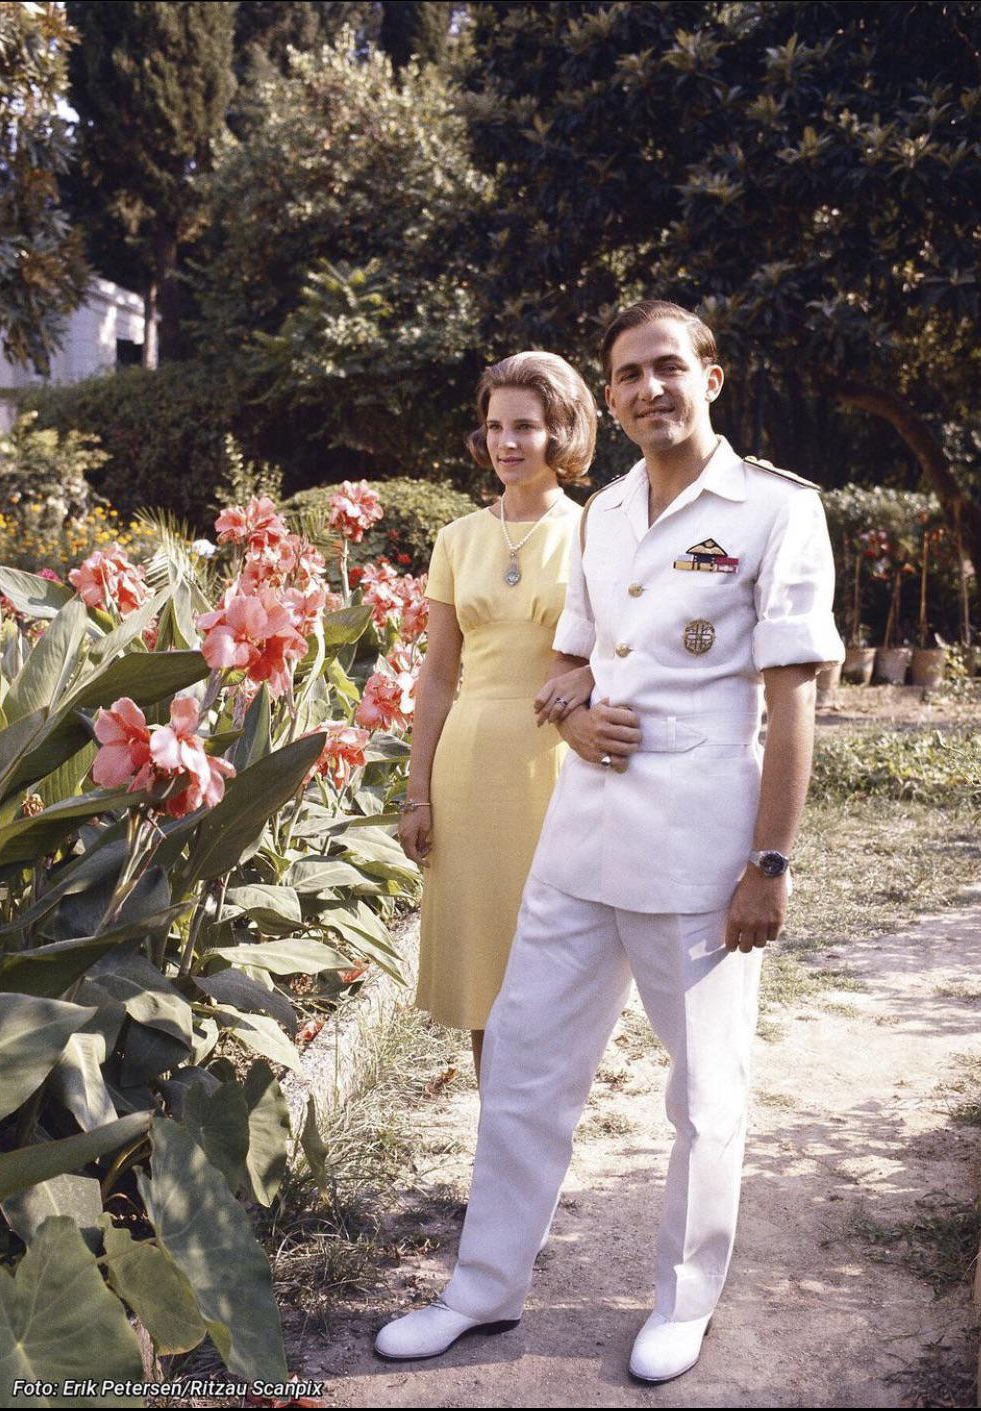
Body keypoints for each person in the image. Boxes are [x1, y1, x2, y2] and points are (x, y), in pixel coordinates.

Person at [376, 301, 845, 1382]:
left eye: (667, 368)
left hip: (699, 842)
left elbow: (794, 703)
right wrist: (571, 711)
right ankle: (483, 1288)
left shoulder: (775, 511)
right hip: (580, 834)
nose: (648, 389)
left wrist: (769, 863)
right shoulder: (607, 513)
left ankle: (684, 1299)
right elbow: (572, 662)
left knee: (703, 1087)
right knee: (529, 1065)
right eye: (628, 374)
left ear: (711, 376)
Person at [401, 351, 598, 1080]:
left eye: (525, 426)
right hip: (469, 767)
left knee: (553, 969)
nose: (506, 443)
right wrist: (417, 792)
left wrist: (585, 677)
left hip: (556, 765)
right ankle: (498, 1171)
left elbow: (626, 646)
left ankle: (546, 1152)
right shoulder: (456, 538)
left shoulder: (592, 532)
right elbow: (437, 676)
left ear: (561, 433)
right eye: (493, 427)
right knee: (487, 976)